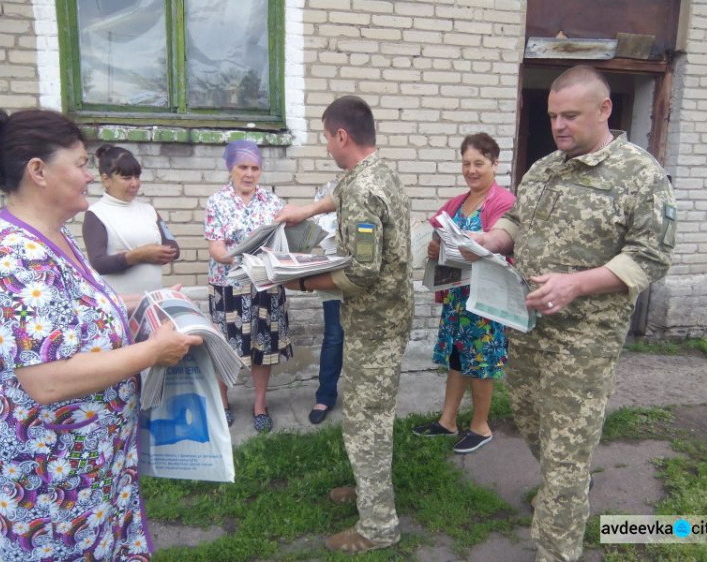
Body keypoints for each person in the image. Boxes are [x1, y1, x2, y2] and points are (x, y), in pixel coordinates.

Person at [461, 65, 676, 561]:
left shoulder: (640, 175)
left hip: (584, 343)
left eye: (570, 116)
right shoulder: (545, 167)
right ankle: (565, 491)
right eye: (553, 115)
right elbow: (517, 217)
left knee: (566, 452)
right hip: (528, 329)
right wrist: (492, 238)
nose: (559, 125)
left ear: (605, 110)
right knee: (534, 426)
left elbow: (650, 257)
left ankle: (557, 542)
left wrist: (577, 284)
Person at [0, 108, 201, 561]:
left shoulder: (56, 237)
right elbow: (45, 379)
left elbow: (85, 309)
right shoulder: (14, 258)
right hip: (48, 481)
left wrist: (149, 302)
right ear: (38, 171)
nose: (90, 176)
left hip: (89, 465)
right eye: (82, 164)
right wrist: (151, 352)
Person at [275, 95, 413, 554]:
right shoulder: (377, 172)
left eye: (326, 138)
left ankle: (378, 527)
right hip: (382, 319)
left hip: (376, 324)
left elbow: (363, 272)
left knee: (366, 422)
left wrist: (304, 282)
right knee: (364, 414)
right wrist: (309, 210)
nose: (327, 147)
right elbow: (343, 194)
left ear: (342, 136)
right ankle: (371, 495)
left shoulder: (363, 188)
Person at [412, 133, 516, 454]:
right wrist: (433, 247)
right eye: (466, 163)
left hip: (485, 298)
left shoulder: (503, 202)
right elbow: (439, 234)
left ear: (495, 164)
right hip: (458, 296)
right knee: (457, 358)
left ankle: (480, 426)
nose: (471, 170)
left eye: (479, 163)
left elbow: (502, 240)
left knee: (481, 362)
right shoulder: (458, 202)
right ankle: (448, 421)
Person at [204, 140, 292, 432]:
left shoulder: (272, 203)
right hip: (228, 287)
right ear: (231, 168)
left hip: (265, 287)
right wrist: (241, 260)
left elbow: (282, 241)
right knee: (225, 348)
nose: (249, 173)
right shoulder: (217, 202)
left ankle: (260, 404)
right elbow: (216, 248)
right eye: (243, 167)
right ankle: (223, 401)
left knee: (262, 347)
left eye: (255, 168)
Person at [82, 144, 180, 293]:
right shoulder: (96, 214)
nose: (135, 183)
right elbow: (98, 264)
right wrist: (137, 256)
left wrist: (161, 253)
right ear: (106, 179)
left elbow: (174, 248)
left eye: (137, 176)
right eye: (126, 178)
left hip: (152, 301)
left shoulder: (149, 211)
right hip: (119, 304)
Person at [308, 179, 344, 425]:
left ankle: (362, 396)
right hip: (334, 279)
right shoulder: (325, 199)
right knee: (333, 337)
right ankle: (325, 396)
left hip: (363, 280)